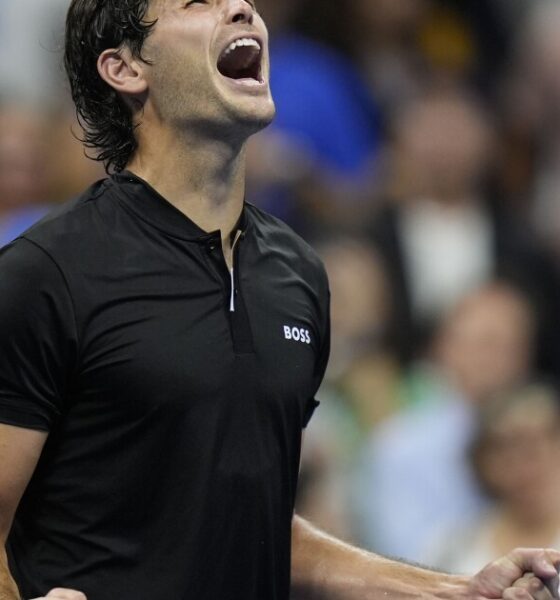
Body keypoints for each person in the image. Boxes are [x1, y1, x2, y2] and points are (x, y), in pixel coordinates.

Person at [0, 2, 558, 599]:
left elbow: (257, 523)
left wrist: (452, 590)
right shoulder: (46, 273)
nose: (243, 7)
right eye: (197, 1)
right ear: (125, 67)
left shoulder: (298, 276)